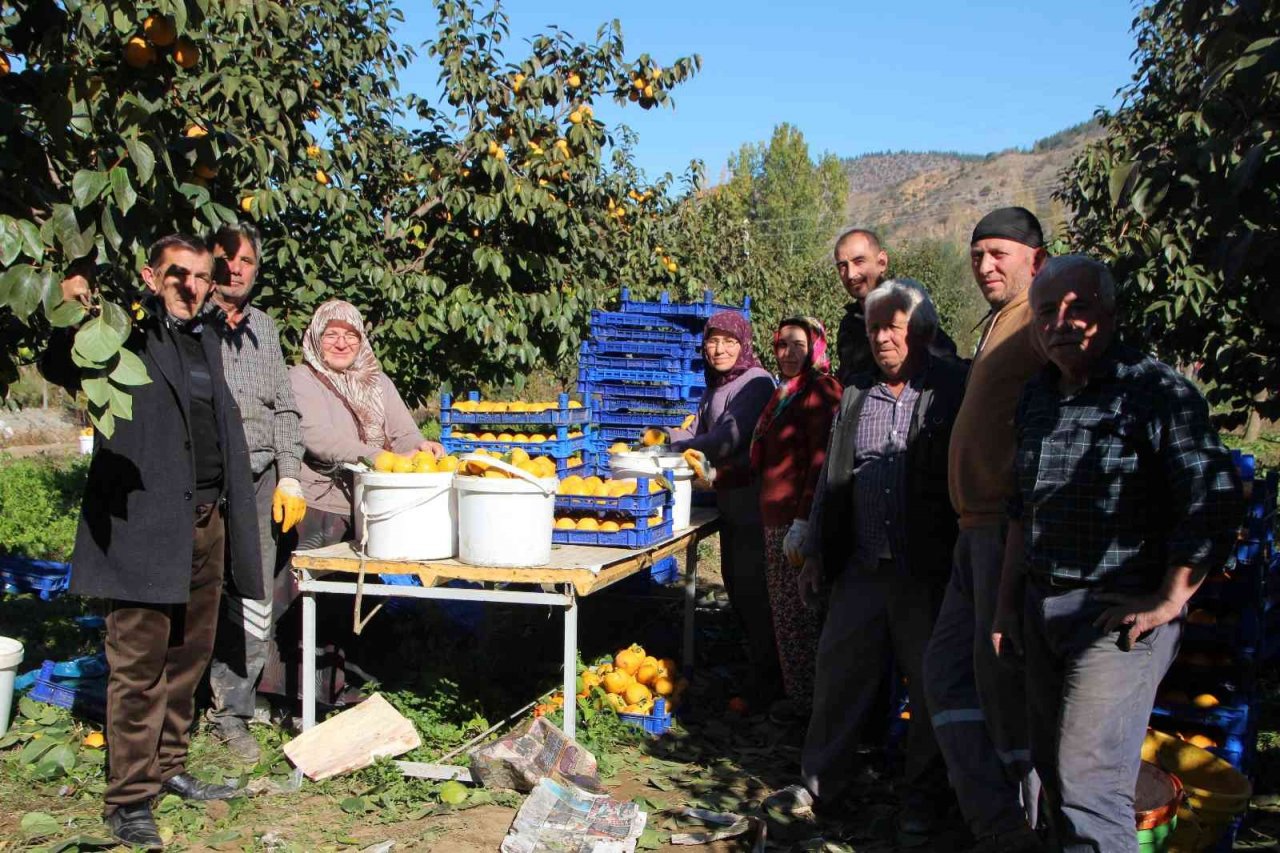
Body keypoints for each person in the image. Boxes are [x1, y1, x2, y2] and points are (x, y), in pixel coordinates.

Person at [992, 256, 1242, 852]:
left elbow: (1213, 497)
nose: (1061, 322)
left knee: (1090, 785)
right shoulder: (1037, 396)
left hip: (1114, 620)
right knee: (1053, 774)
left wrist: (1169, 598)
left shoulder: (1155, 392)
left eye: (1077, 309)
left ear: (1110, 314)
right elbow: (1022, 512)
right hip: (1043, 606)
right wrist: (1005, 607)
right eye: (1047, 311)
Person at [43, 235, 263, 850]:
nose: (191, 285)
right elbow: (63, 365)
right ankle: (129, 800)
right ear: (150, 275)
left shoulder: (207, 338)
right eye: (178, 274)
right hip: (144, 527)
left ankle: (169, 766)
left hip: (205, 522)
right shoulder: (125, 336)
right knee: (137, 665)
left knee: (187, 659)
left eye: (200, 275)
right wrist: (73, 312)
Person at [767, 280, 966, 844]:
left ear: (921, 332)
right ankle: (819, 783)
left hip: (923, 572)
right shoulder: (857, 394)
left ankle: (922, 798)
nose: (881, 338)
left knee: (929, 690)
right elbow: (835, 481)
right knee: (838, 675)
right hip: (860, 567)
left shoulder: (950, 389)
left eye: (893, 327)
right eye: (875, 328)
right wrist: (816, 554)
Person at [922, 207, 1048, 852]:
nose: (985, 266)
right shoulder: (999, 320)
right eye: (976, 255)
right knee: (946, 675)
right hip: (972, 531)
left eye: (999, 253)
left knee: (1005, 690)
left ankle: (1022, 829)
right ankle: (995, 823)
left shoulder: (1043, 318)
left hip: (1007, 529)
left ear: (1037, 258)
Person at [259, 299, 442, 703]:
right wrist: (376, 456)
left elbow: (404, 434)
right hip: (316, 502)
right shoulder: (301, 379)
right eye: (331, 334)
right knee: (303, 601)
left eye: (350, 335)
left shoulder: (377, 382)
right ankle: (289, 697)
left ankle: (341, 690)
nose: (341, 343)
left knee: (350, 602)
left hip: (366, 508)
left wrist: (421, 447)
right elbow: (315, 437)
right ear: (315, 338)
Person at [205, 223, 306, 762]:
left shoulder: (263, 329)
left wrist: (289, 472)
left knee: (253, 599)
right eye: (228, 259)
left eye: (247, 261)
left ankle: (232, 710)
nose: (238, 269)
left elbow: (285, 409)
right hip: (206, 480)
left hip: (261, 479)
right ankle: (186, 699)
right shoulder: (191, 326)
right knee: (199, 593)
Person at [668, 310, 780, 706]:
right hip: (730, 504)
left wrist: (673, 448)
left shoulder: (755, 383)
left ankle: (771, 685)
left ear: (744, 343)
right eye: (713, 341)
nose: (719, 349)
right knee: (738, 585)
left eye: (729, 341)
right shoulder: (716, 385)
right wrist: (664, 435)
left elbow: (724, 441)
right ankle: (759, 675)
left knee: (754, 593)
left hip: (754, 507)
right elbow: (698, 429)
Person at [748, 316, 842, 719]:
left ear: (816, 347)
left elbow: (821, 463)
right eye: (782, 344)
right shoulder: (785, 392)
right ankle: (804, 703)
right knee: (788, 617)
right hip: (776, 520)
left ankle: (815, 709)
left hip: (794, 522)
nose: (788, 353)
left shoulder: (819, 391)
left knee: (803, 618)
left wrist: (805, 521)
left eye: (798, 345)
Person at [833, 228, 958, 385]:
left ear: (882, 262)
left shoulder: (907, 308)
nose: (851, 274)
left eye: (859, 261)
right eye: (843, 266)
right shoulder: (849, 326)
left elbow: (947, 364)